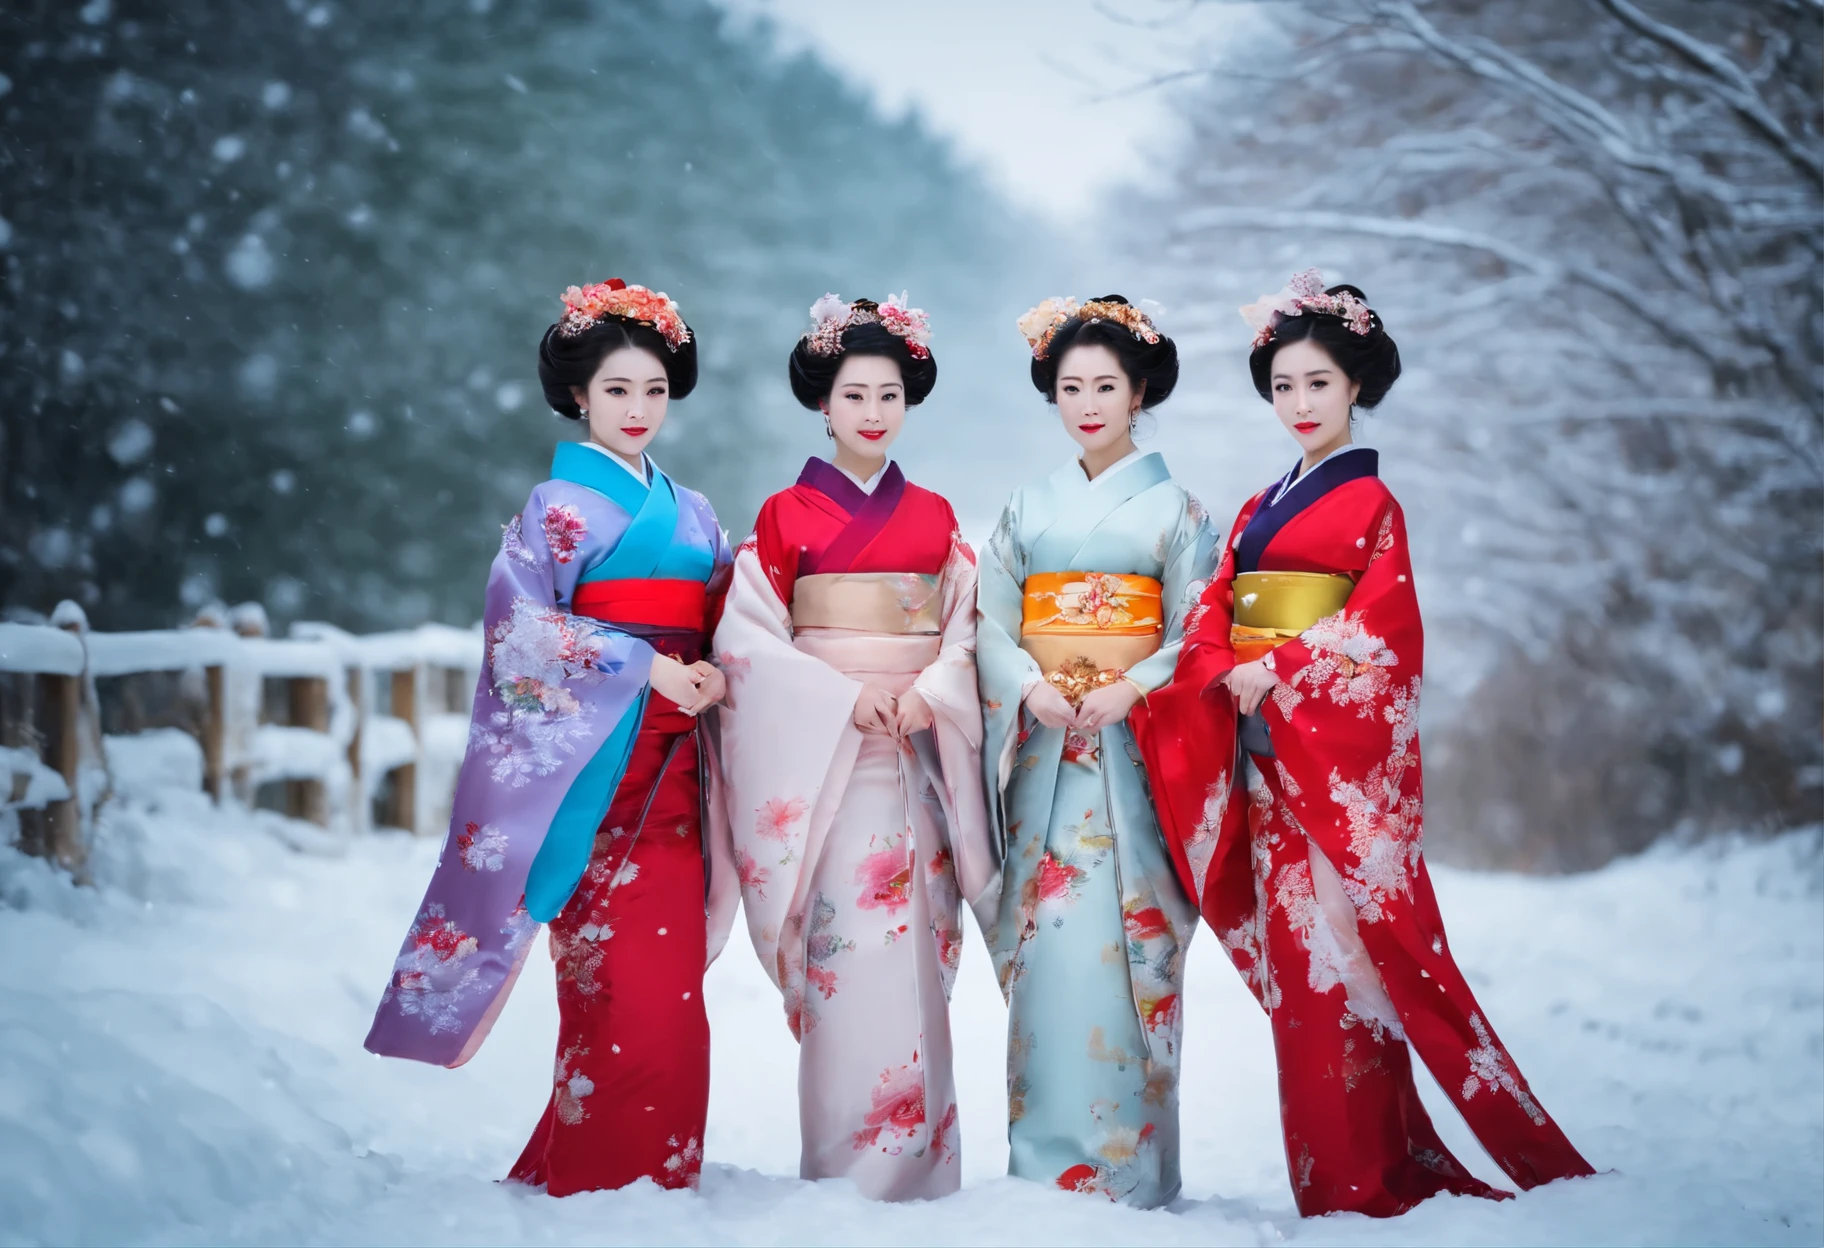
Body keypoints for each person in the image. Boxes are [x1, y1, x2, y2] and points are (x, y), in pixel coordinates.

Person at [1133, 269, 1595, 1216]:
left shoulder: (1374, 510)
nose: (1299, 403)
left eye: (1318, 384)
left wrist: (1288, 665)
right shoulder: (1263, 505)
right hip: (1268, 766)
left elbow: (1381, 637)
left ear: (1355, 387)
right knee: (1308, 995)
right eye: (1283, 387)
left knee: (1350, 972)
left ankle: (1369, 1183)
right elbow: (1210, 612)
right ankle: (1343, 1183)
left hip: (1331, 775)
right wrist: (1225, 667)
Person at [364, 279, 738, 1196]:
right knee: (616, 984)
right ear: (579, 395)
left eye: (654, 389)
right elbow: (521, 635)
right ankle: (601, 1178)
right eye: (617, 390)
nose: (638, 409)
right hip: (593, 772)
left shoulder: (694, 512)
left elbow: (736, 616)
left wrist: (722, 667)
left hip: (678, 771)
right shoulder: (554, 509)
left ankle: (657, 1177)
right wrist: (644, 666)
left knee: (674, 996)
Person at [712, 294, 994, 1200]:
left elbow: (966, 631)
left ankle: (919, 1166)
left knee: (912, 953)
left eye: (889, 397)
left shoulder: (939, 517)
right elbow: (748, 643)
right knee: (846, 956)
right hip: (829, 765)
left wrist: (930, 694)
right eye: (854, 396)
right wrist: (842, 697)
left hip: (913, 756)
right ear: (822, 405)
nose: (873, 414)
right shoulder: (784, 518)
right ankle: (845, 1165)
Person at [975, 295, 1216, 1206]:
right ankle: (1044, 1165)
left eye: (1105, 385)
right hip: (1045, 755)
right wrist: (1029, 687)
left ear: (1139, 389)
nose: (1087, 401)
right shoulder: (1024, 508)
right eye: (1070, 385)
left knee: (1131, 955)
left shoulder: (1178, 512)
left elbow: (1199, 631)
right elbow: (990, 619)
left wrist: (1138, 686)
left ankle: (1131, 1167)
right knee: (1052, 955)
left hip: (1133, 757)